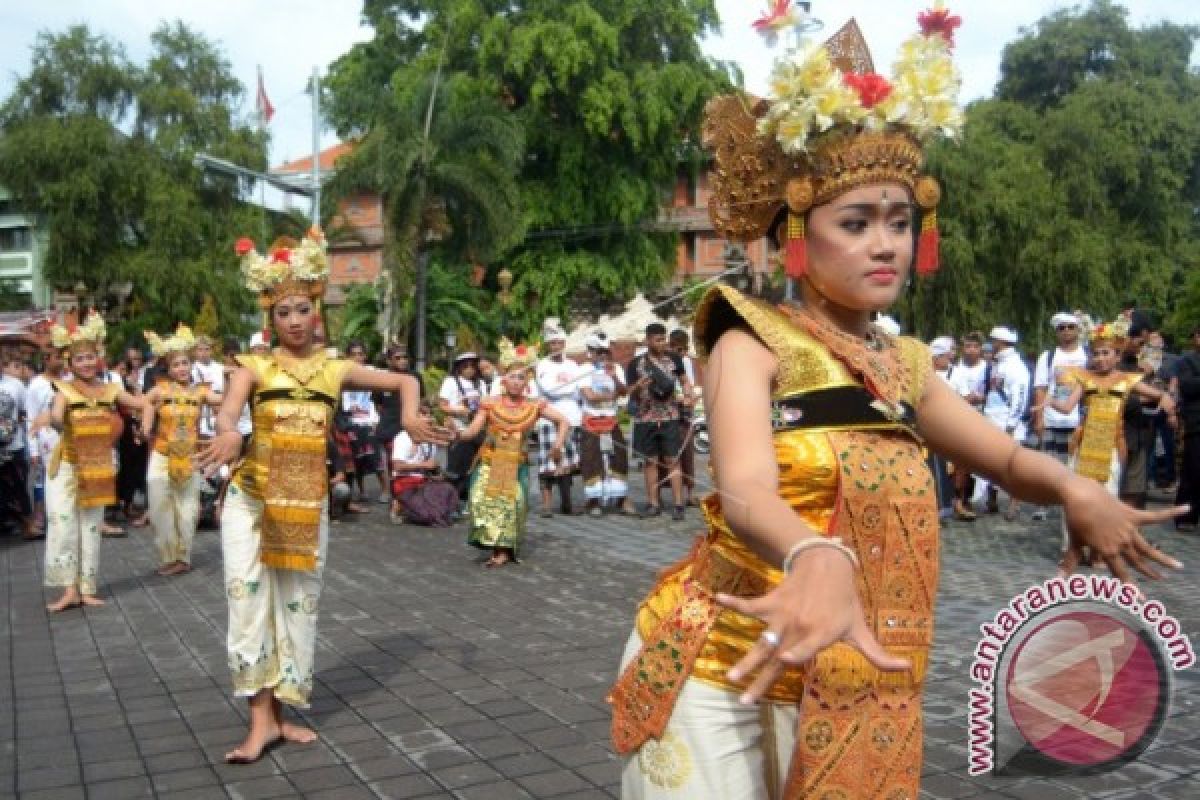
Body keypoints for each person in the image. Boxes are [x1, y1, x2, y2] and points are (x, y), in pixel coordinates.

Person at [608, 10, 1183, 798]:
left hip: (848, 675)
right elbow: (744, 490)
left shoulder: (905, 364)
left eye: (900, 223)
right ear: (797, 237)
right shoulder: (751, 336)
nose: (885, 244)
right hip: (720, 669)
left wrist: (1074, 488)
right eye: (856, 222)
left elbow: (1008, 460)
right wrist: (814, 551)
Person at [195, 229, 444, 764]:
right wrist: (230, 429)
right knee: (248, 605)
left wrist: (408, 416)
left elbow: (403, 382)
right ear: (272, 317)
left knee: (297, 608)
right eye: (282, 311)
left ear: (316, 313)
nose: (292, 320)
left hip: (306, 505)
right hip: (253, 501)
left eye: (301, 309)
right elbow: (230, 407)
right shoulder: (254, 366)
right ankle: (259, 721)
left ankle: (283, 715)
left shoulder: (337, 368)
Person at [33, 312, 145, 611]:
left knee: (91, 526)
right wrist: (54, 422)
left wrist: (145, 423)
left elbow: (142, 402)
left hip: (97, 466)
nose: (85, 363)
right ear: (70, 363)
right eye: (79, 358)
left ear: (98, 360)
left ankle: (86, 587)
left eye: (90, 357)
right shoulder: (64, 390)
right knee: (63, 523)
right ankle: (69, 588)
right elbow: (57, 416)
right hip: (67, 466)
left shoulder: (111, 390)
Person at [1036, 316, 1176, 550]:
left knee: (1107, 498)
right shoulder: (1084, 378)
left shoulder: (1127, 380)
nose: (1100, 359)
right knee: (1077, 496)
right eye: (1096, 354)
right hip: (1084, 445)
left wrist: (1167, 401)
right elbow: (1068, 406)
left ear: (1118, 356)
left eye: (1106, 353)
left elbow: (1156, 394)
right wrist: (1048, 402)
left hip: (1112, 447)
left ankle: (1100, 550)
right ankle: (1074, 546)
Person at [459, 339, 570, 567]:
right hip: (490, 462)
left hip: (515, 464)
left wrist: (557, 446)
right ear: (503, 379)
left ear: (527, 381)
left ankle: (503, 550)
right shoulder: (489, 404)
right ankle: (495, 546)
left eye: (521, 377)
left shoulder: (534, 406)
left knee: (512, 506)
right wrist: (454, 433)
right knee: (480, 501)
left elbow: (563, 421)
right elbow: (471, 432)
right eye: (512, 376)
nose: (516, 382)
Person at [140, 325, 223, 576]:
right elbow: (146, 401)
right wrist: (146, 424)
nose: (182, 369)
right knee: (159, 507)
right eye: (176, 365)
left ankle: (183, 558)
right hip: (162, 454)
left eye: (185, 364)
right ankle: (169, 556)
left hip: (190, 457)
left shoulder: (201, 392)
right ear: (169, 367)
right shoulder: (160, 390)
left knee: (187, 508)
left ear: (191, 365)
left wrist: (239, 379)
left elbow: (224, 400)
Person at [1028, 312, 1090, 522]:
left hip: (1078, 418)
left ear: (1078, 329)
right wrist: (1039, 419)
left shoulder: (1088, 356)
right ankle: (1043, 503)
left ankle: (1071, 502)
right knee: (1048, 464)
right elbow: (1041, 388)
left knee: (1073, 464)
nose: (1066, 331)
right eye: (1061, 328)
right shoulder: (1048, 357)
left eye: (1070, 327)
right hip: (1052, 417)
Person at [626, 322, 692, 520]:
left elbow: (685, 381)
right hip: (645, 418)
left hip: (669, 416)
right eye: (658, 339)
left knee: (672, 460)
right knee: (650, 462)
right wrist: (638, 386)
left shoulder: (674, 359)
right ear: (648, 341)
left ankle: (678, 503)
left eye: (664, 339)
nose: (662, 343)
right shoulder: (636, 364)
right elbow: (628, 393)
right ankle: (653, 503)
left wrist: (688, 394)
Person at [534, 320, 588, 516]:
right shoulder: (542, 365)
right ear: (548, 345)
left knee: (568, 462)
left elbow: (578, 389)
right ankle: (547, 505)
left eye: (559, 343)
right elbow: (551, 389)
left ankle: (567, 503)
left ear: (564, 344)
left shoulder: (573, 364)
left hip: (572, 416)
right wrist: (569, 388)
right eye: (552, 343)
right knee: (549, 460)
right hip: (550, 416)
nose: (555, 346)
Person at [579, 332, 636, 516]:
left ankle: (620, 498)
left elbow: (623, 392)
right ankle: (593, 500)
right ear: (591, 352)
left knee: (618, 459)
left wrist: (614, 378)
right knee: (592, 460)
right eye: (599, 352)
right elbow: (589, 396)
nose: (603, 356)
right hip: (592, 421)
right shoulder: (584, 369)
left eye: (605, 352)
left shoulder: (616, 368)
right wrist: (610, 396)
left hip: (611, 420)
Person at [979, 325, 1030, 519]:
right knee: (991, 464)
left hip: (1008, 423)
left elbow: (1020, 398)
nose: (992, 345)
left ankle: (1014, 503)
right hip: (992, 419)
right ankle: (992, 500)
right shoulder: (996, 365)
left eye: (994, 341)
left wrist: (1011, 425)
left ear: (1001, 343)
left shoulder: (1016, 367)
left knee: (1012, 465)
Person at [341, 340, 388, 504]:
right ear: (347, 357)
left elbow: (388, 375)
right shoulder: (341, 374)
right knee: (356, 459)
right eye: (353, 354)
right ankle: (361, 491)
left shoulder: (370, 371)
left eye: (360, 354)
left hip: (368, 422)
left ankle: (385, 490)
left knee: (375, 458)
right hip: (350, 422)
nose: (357, 358)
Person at [25, 346, 65, 539]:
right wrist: (32, 449)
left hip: (67, 436)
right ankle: (40, 520)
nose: (61, 361)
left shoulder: (68, 381)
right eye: (58, 357)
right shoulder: (36, 384)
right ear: (47, 359)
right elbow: (31, 417)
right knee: (45, 479)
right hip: (45, 438)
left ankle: (60, 516)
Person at [439, 352, 486, 502]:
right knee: (455, 467)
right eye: (466, 366)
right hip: (458, 429)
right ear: (459, 367)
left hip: (477, 429)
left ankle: (467, 499)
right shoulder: (451, 382)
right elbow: (442, 406)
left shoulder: (480, 383)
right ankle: (451, 500)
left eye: (473, 366)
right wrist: (459, 410)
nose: (470, 370)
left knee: (473, 466)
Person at [0, 355, 33, 538]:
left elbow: (23, 412)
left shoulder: (15, 385)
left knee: (18, 487)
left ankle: (27, 524)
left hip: (13, 446)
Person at [669, 329, 702, 507]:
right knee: (671, 453)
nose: (682, 353)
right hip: (669, 410)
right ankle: (676, 494)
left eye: (684, 349)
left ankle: (690, 491)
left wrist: (691, 397)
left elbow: (689, 383)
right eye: (678, 349)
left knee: (687, 451)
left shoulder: (686, 361)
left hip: (685, 411)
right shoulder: (665, 361)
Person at [1174, 325, 1200, 531]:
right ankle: (1186, 516)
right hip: (1196, 422)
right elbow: (1188, 386)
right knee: (1193, 470)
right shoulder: (1186, 360)